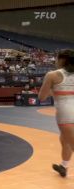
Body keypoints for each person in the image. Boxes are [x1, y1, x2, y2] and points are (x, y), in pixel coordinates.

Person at [38, 49, 74, 177]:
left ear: (62, 60)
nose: (55, 61)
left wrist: (52, 89)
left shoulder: (52, 75)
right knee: (65, 140)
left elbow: (42, 97)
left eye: (56, 58)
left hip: (66, 114)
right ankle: (63, 166)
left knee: (70, 142)